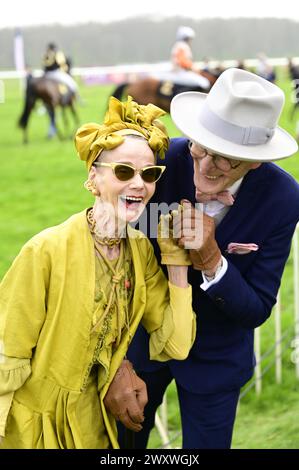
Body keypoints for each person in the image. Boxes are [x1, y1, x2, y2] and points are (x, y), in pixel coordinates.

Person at [117, 68, 299, 449]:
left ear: (255, 161)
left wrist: (213, 260)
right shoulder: (158, 161)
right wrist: (116, 362)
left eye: (224, 160)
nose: (203, 167)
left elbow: (257, 308)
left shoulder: (284, 198)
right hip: (138, 349)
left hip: (216, 361)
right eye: (201, 148)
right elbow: (111, 261)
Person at [0, 96, 197, 449]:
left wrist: (176, 259)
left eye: (149, 174)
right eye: (124, 171)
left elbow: (176, 344)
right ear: (94, 177)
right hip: (30, 428)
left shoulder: (140, 253)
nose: (139, 184)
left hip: (92, 428)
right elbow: (7, 355)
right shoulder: (45, 250)